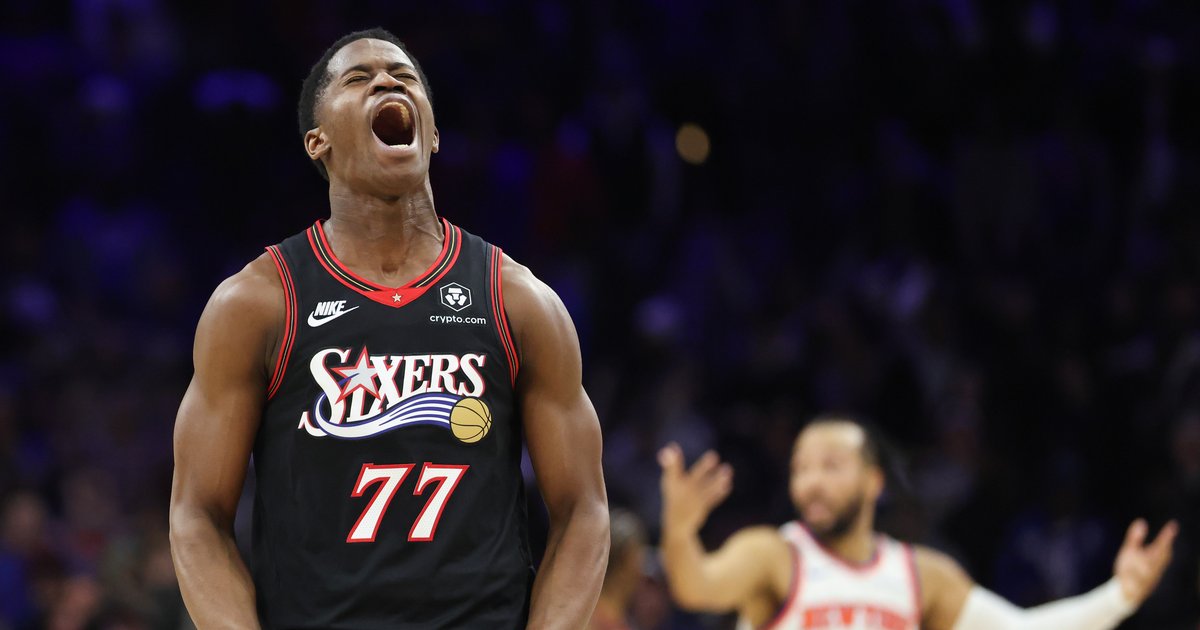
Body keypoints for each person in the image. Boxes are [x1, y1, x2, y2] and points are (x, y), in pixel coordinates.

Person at [168, 28, 609, 629]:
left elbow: (584, 509)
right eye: (358, 78)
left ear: (433, 133)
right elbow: (196, 515)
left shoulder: (516, 299)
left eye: (403, 77)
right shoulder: (258, 302)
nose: (385, 81)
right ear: (317, 141)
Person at [658, 416, 1178, 630]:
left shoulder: (922, 575)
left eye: (831, 466)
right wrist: (679, 533)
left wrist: (1121, 595)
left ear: (874, 482)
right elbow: (696, 586)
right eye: (801, 468)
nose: (811, 482)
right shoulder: (772, 555)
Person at [589, 509, 648, 630]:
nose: (642, 571)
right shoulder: (588, 620)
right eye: (638, 559)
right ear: (625, 559)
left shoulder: (582, 611)